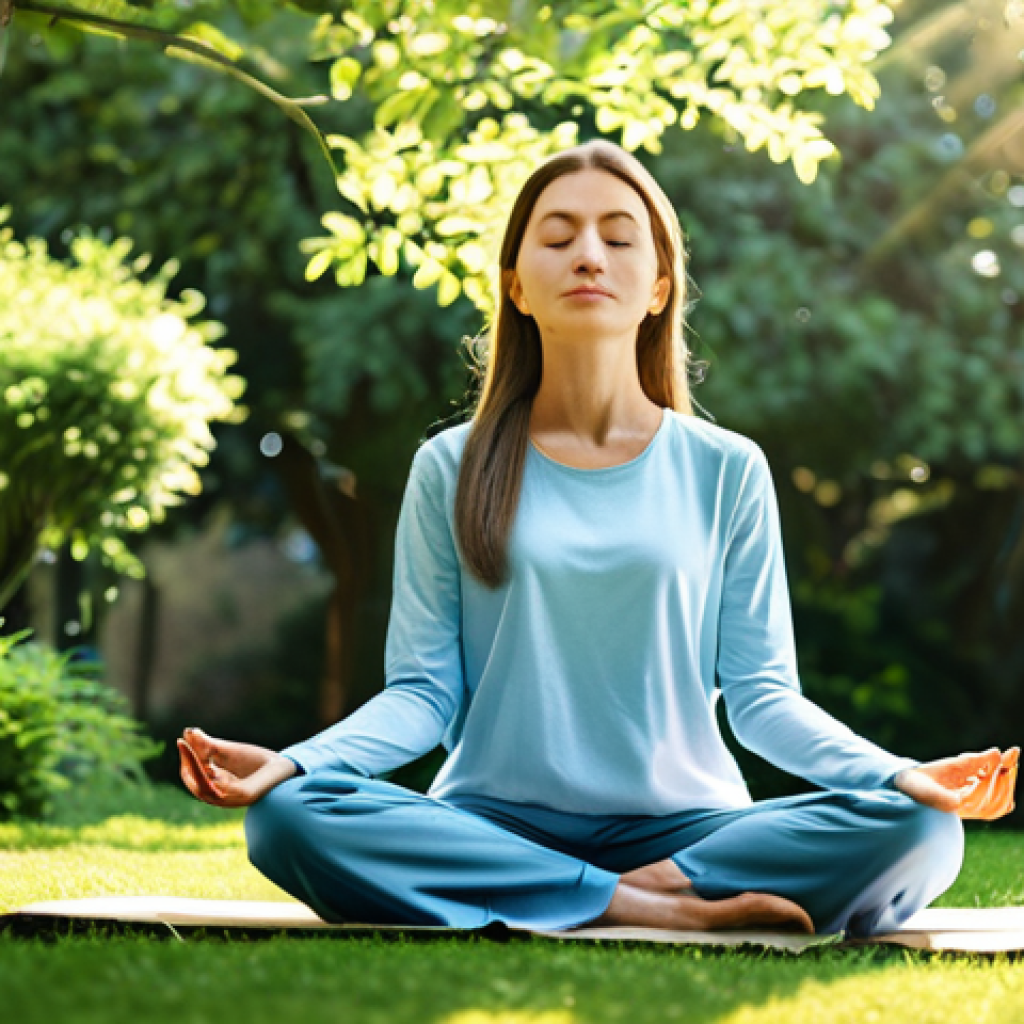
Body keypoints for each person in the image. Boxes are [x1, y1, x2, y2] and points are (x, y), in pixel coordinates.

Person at [178, 139, 1019, 939]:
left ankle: (647, 891)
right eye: (559, 236)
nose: (589, 255)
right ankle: (638, 906)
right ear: (515, 285)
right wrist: (296, 762)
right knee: (290, 818)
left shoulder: (726, 469)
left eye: (619, 237)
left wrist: (897, 774)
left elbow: (763, 698)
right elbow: (424, 697)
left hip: (688, 830)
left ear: (658, 285)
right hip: (492, 822)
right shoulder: (450, 467)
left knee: (922, 830)